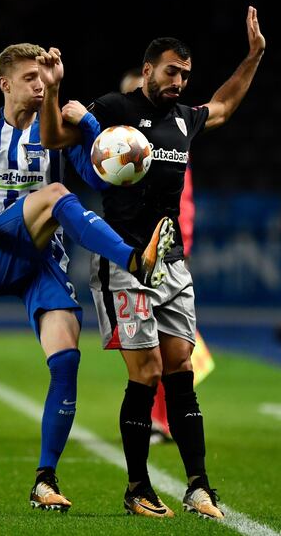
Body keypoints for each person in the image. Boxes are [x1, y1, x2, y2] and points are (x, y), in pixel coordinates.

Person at [37, 5, 265, 520]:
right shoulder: (115, 107)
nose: (179, 82)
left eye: (185, 74)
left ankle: (199, 486)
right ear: (148, 71)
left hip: (170, 264)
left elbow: (225, 105)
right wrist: (53, 92)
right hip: (122, 262)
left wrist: (253, 56)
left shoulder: (185, 120)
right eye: (170, 72)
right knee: (147, 372)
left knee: (181, 367)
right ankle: (138, 486)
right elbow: (54, 137)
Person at [0, 43, 176, 513]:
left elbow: (105, 178)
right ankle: (134, 260)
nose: (40, 86)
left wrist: (86, 123)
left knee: (66, 359)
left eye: (44, 79)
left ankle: (45, 479)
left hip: (43, 260)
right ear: (5, 84)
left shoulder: (56, 134)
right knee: (56, 192)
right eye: (30, 79)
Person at [119, 67, 215, 445]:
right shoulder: (123, 152)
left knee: (172, 350)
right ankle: (159, 420)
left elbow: (182, 203)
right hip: (138, 255)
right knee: (152, 352)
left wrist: (182, 245)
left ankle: (163, 420)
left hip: (169, 255)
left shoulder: (171, 149)